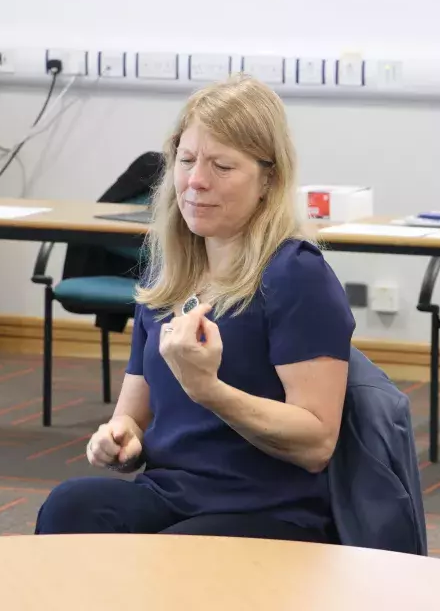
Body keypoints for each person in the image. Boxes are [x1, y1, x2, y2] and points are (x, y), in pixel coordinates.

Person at [35, 74, 355, 543]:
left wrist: (208, 389)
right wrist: (118, 436)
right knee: (72, 505)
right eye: (186, 161)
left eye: (222, 166)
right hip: (171, 493)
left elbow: (316, 443)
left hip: (269, 508)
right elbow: (133, 416)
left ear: (269, 179)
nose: (196, 181)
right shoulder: (167, 275)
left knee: (171, 558)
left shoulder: (295, 275)